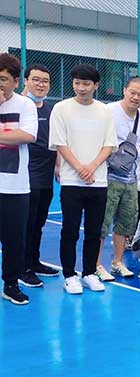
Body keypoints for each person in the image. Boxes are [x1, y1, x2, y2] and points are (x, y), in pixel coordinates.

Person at [49, 64, 117, 294]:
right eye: (77, 83)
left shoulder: (105, 111)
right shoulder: (61, 109)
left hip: (98, 182)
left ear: (96, 85)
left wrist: (92, 167)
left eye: (86, 83)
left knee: (94, 230)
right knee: (69, 230)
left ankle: (89, 273)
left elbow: (109, 144)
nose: (81, 87)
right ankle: (69, 275)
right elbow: (60, 143)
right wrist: (80, 168)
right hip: (72, 181)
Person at [96, 76, 140, 282]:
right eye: (133, 93)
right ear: (124, 90)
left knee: (126, 222)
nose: (136, 97)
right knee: (102, 222)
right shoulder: (107, 111)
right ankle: (96, 264)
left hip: (130, 179)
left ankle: (117, 262)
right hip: (107, 176)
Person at [0, 53, 38, 305]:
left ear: (15, 81)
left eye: (4, 79)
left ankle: (10, 284)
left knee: (14, 240)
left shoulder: (25, 105)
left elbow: (28, 135)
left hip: (15, 186)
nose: (0, 84)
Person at [19, 63, 59, 288]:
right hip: (24, 176)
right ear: (26, 81)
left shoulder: (51, 110)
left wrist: (58, 165)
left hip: (46, 176)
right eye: (35, 79)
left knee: (39, 222)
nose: (40, 84)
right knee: (26, 223)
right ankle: (22, 268)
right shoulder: (18, 106)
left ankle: (34, 261)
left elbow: (57, 140)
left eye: (45, 81)